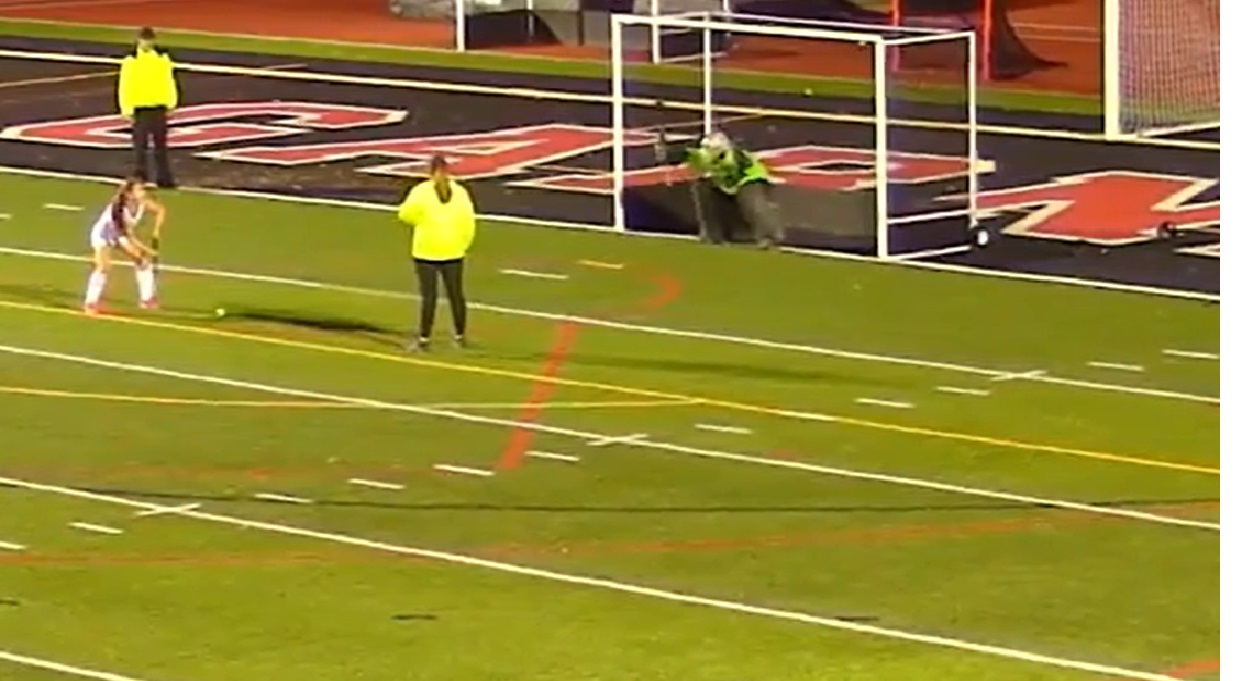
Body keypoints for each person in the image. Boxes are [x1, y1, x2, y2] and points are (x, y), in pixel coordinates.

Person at [396, 154, 476, 352]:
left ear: (430, 171)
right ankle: (460, 336)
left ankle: (424, 339)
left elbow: (404, 214)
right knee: (456, 294)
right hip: (453, 249)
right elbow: (469, 222)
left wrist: (422, 218)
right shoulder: (460, 192)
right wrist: (463, 244)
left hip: (427, 249)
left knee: (429, 297)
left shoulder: (421, 191)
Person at [685, 131, 784, 248]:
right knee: (701, 188)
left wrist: (712, 169)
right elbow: (695, 170)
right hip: (723, 181)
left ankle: (769, 237)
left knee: (753, 204)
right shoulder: (701, 158)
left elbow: (730, 170)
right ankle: (714, 234)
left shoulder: (734, 157)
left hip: (748, 177)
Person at [83, 176, 165, 315]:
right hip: (104, 235)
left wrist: (156, 231)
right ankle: (90, 303)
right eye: (139, 190)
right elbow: (128, 236)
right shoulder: (118, 209)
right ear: (129, 193)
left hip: (120, 235)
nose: (143, 192)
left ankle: (147, 299)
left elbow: (160, 210)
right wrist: (148, 250)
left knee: (142, 261)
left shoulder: (142, 203)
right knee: (103, 267)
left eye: (143, 189)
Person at [118, 26, 179, 188]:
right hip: (141, 108)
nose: (147, 43)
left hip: (158, 107)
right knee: (140, 147)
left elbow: (168, 80)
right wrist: (126, 109)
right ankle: (140, 178)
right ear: (139, 40)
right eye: (144, 40)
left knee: (161, 146)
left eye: (149, 40)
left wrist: (171, 102)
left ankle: (164, 178)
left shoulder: (162, 58)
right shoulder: (131, 60)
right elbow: (125, 85)